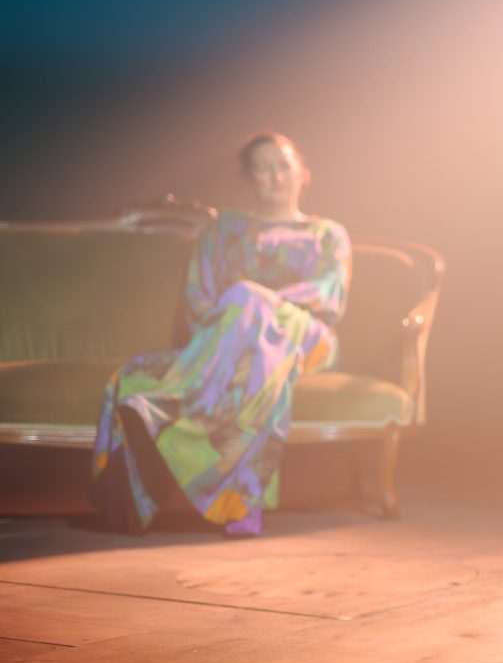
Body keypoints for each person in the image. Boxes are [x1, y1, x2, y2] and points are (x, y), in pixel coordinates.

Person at [90, 132, 351, 537]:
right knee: (240, 363)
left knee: (249, 303)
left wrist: (258, 304)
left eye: (283, 166)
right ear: (248, 180)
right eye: (263, 169)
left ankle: (167, 405)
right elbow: (200, 300)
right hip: (228, 341)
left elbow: (328, 294)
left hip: (305, 335)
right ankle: (231, 502)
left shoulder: (327, 233)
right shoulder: (223, 229)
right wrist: (238, 319)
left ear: (303, 172)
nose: (276, 176)